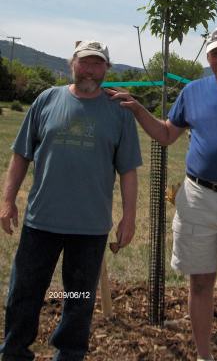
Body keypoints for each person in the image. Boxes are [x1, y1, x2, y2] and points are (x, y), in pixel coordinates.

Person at [109, 27, 217, 361]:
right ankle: (204, 357)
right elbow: (165, 134)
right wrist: (137, 110)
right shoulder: (192, 91)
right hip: (197, 199)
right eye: (215, 53)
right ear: (208, 56)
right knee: (200, 285)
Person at [0, 40, 142, 361]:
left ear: (106, 68)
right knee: (25, 293)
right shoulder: (47, 100)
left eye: (97, 63)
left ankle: (69, 354)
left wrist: (129, 216)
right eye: (85, 62)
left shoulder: (118, 112)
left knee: (78, 298)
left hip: (89, 228)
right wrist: (7, 200)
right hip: (41, 221)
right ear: (72, 64)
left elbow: (129, 171)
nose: (90, 70)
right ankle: (15, 352)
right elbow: (21, 154)